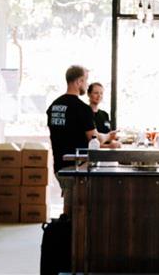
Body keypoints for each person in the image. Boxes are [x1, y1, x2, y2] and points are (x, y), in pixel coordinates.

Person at [47, 65, 114, 215]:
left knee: (69, 207)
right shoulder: (81, 108)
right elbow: (94, 138)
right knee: (78, 211)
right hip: (76, 167)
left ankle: (66, 234)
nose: (86, 84)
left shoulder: (54, 106)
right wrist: (109, 136)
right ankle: (72, 237)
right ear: (79, 82)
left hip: (59, 166)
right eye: (86, 81)